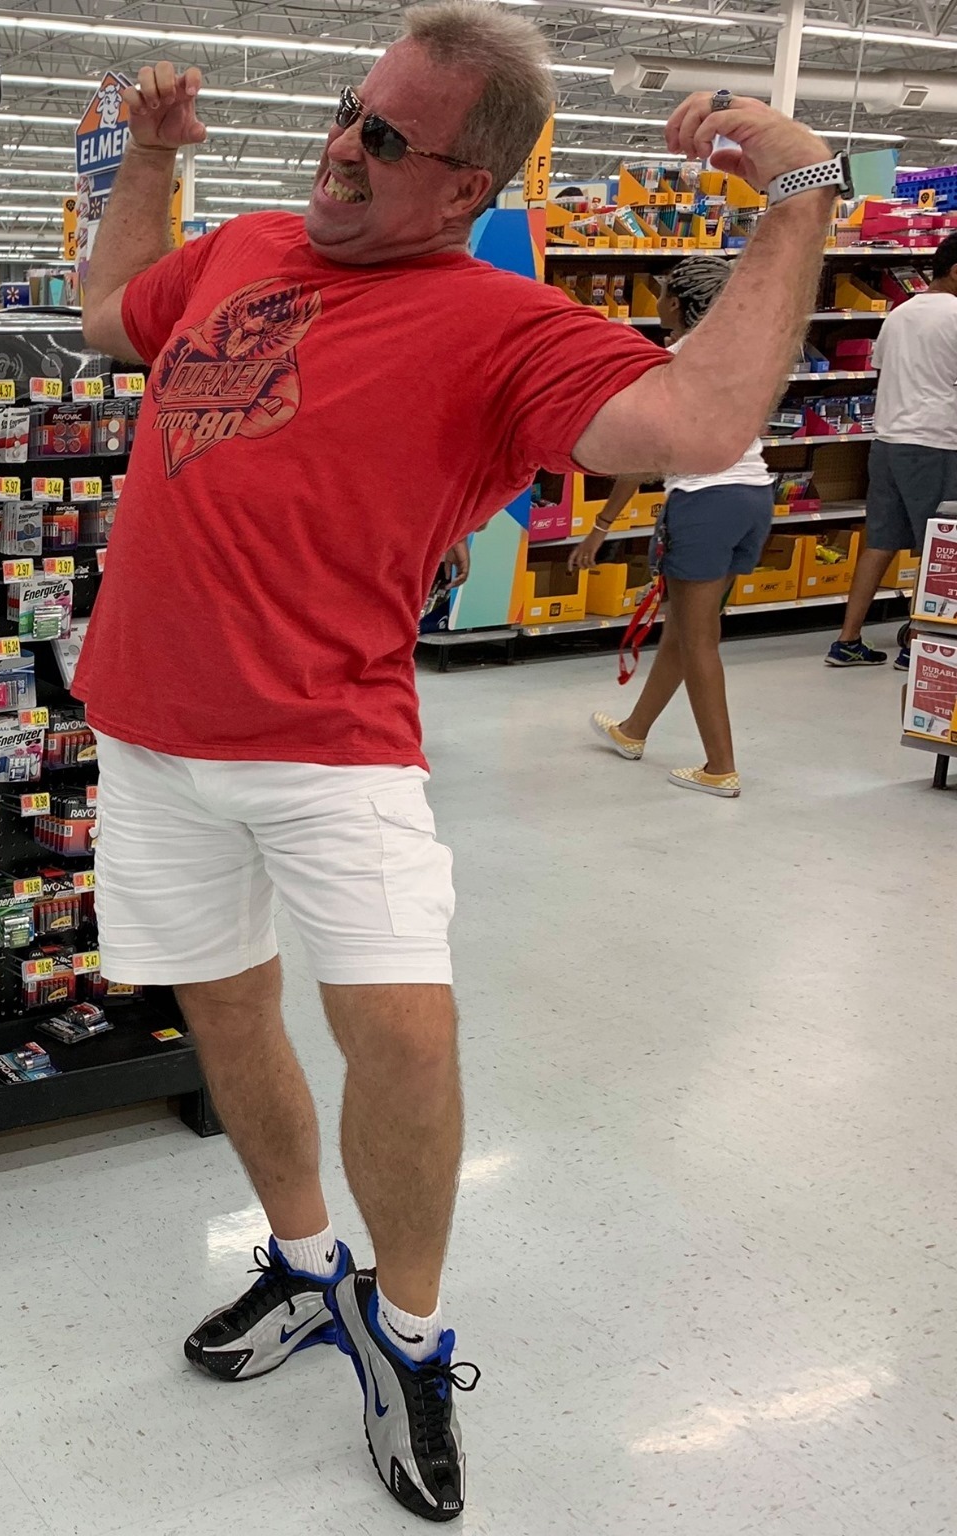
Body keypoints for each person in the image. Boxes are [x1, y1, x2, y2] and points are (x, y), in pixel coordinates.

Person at [76, 1, 839, 1520]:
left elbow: (699, 420)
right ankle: (306, 1266)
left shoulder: (503, 326)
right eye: (347, 112)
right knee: (226, 1009)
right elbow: (108, 316)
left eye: (384, 137)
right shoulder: (237, 250)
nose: (340, 149)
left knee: (405, 1043)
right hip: (145, 734)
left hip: (331, 745)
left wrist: (804, 192)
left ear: (464, 188)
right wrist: (151, 164)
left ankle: (410, 1340)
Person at [577, 257, 774, 798]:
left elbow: (641, 458)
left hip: (704, 502)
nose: (657, 301)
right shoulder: (742, 356)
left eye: (663, 293)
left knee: (699, 640)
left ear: (680, 304)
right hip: (753, 496)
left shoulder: (674, 363)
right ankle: (634, 729)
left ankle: (720, 767)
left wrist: (602, 524)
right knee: (687, 629)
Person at [828, 231, 957, 669]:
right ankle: (918, 641)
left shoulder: (899, 313)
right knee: (937, 547)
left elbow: (884, 368)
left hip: (887, 441)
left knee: (879, 542)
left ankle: (847, 640)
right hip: (935, 442)